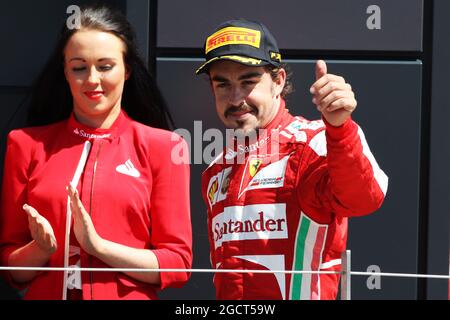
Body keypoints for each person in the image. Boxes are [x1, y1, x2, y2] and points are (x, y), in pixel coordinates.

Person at [0, 4, 192, 300]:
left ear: (127, 70)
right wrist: (40, 249)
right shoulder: (25, 144)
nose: (92, 80)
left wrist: (99, 247)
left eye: (105, 66)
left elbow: (177, 265)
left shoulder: (164, 147)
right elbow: (11, 271)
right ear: (65, 72)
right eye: (79, 67)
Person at [196, 19, 388, 300]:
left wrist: (340, 128)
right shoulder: (216, 169)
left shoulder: (313, 143)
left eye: (248, 82)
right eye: (223, 84)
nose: (236, 98)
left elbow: (364, 198)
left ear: (278, 82)